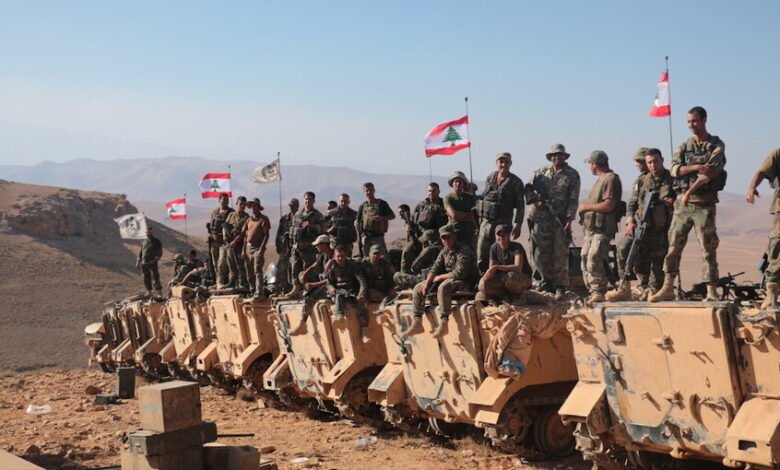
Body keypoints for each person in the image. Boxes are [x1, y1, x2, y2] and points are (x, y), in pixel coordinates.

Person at [650, 106, 726, 302]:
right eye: (689, 122)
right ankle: (668, 286)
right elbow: (674, 169)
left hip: (703, 205)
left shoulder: (716, 145)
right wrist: (696, 166)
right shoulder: (685, 146)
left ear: (704, 120)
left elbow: (708, 174)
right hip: (683, 206)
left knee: (707, 248)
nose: (691, 125)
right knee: (673, 246)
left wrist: (689, 191)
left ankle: (711, 290)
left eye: (695, 121)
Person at [607, 148, 674, 301]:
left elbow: (683, 202)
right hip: (640, 226)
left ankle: (653, 290)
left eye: (655, 161)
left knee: (658, 263)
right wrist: (630, 221)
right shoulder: (642, 180)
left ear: (662, 160)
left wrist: (673, 203)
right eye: (649, 162)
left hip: (661, 230)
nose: (653, 165)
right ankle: (625, 287)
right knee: (624, 249)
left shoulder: (672, 180)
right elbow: (632, 204)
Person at [402, 224, 477, 339]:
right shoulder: (444, 251)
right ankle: (417, 322)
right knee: (418, 287)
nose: (446, 240)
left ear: (454, 236)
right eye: (443, 237)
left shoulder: (464, 251)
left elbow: (459, 273)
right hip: (449, 280)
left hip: (465, 282)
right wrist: (427, 283)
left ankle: (444, 322)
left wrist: (439, 278)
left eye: (448, 237)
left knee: (443, 286)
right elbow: (435, 269)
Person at [526, 144, 580, 297]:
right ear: (551, 157)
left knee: (560, 253)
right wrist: (536, 201)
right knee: (543, 252)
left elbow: (573, 199)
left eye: (560, 155)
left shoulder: (572, 175)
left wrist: (569, 219)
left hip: (559, 220)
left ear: (565, 156)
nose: (557, 157)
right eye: (554, 155)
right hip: (541, 219)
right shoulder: (541, 172)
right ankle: (547, 282)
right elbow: (528, 188)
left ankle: (560, 286)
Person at [579, 150, 623, 304]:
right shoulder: (600, 180)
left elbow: (609, 205)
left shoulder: (610, 179)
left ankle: (599, 291)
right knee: (585, 256)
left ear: (594, 164)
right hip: (592, 229)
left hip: (603, 228)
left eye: (590, 164)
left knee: (594, 257)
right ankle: (593, 290)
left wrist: (586, 207)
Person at [477, 152, 525, 273]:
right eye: (501, 162)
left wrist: (518, 225)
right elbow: (485, 197)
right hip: (487, 223)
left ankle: (499, 278)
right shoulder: (490, 177)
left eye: (506, 162)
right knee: (482, 252)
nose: (503, 165)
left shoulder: (516, 182)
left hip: (503, 223)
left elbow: (520, 205)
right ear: (496, 163)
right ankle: (483, 277)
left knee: (501, 251)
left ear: (510, 163)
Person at [746, 147, 780, 309]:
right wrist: (752, 187)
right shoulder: (778, 153)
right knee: (777, 247)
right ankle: (771, 293)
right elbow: (762, 171)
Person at [289, 234, 334, 335]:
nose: (316, 247)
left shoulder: (333, 257)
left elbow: (330, 280)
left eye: (318, 245)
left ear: (324, 245)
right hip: (324, 282)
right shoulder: (324, 255)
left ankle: (302, 324)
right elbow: (314, 266)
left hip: (331, 285)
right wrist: (304, 274)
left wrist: (313, 285)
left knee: (310, 298)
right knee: (306, 286)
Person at [476, 224, 532, 303]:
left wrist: (497, 267)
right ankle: (503, 296)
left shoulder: (517, 247)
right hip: (504, 279)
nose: (501, 237)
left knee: (511, 276)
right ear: (495, 236)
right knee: (484, 285)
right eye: (499, 235)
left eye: (504, 235)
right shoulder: (493, 248)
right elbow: (491, 270)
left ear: (508, 236)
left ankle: (519, 296)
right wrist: (484, 279)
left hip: (521, 279)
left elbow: (518, 268)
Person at [400, 183, 448, 273]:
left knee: (425, 254)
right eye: (429, 191)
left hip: (436, 239)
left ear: (439, 191)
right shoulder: (421, 205)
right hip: (419, 238)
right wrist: (408, 227)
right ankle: (404, 275)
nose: (431, 193)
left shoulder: (444, 205)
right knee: (407, 251)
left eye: (434, 191)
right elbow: (412, 221)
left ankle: (418, 272)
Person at [325, 245, 370, 340]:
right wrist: (331, 288)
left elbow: (362, 282)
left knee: (361, 304)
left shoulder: (352, 266)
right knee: (339, 296)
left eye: (342, 256)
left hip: (352, 292)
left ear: (345, 255)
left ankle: (364, 332)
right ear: (334, 256)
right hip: (339, 293)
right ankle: (339, 316)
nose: (340, 258)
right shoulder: (332, 267)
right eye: (338, 256)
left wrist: (361, 293)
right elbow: (328, 283)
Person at [287, 192, 325, 297]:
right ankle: (296, 287)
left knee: (308, 269)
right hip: (297, 246)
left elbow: (323, 229)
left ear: (314, 201)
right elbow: (293, 228)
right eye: (306, 199)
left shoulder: (318, 215)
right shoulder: (298, 214)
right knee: (295, 267)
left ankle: (307, 289)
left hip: (309, 248)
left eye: (310, 199)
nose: (308, 201)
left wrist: (311, 225)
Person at [357, 182, 395, 256]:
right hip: (366, 237)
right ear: (364, 192)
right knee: (367, 258)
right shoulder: (363, 206)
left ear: (374, 190)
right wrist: (360, 237)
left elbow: (392, 216)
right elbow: (358, 221)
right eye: (367, 190)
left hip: (378, 237)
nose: (369, 192)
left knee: (380, 257)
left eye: (370, 190)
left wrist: (382, 218)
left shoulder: (382, 204)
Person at [243, 198, 271, 298]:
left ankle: (259, 292)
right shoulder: (248, 220)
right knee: (249, 271)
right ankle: (252, 290)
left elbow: (266, 235)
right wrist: (243, 250)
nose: (253, 208)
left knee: (257, 269)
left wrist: (261, 249)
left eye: (255, 206)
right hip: (248, 247)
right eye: (252, 206)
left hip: (258, 247)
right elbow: (245, 235)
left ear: (259, 207)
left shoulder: (263, 219)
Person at [443, 171, 477, 250]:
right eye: (456, 181)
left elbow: (473, 216)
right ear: (452, 183)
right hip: (454, 231)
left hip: (468, 232)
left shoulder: (470, 198)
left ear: (463, 184)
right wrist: (466, 214)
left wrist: (457, 215)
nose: (458, 184)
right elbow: (454, 215)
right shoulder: (448, 197)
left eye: (460, 182)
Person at [222, 196, 250, 289]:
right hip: (230, 242)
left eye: (244, 204)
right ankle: (232, 282)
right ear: (236, 204)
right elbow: (224, 226)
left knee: (240, 264)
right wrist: (224, 236)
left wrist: (235, 242)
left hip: (239, 243)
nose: (242, 206)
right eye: (240, 204)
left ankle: (242, 283)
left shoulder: (246, 217)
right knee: (231, 263)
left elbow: (243, 232)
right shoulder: (231, 215)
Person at [208, 194, 234, 287]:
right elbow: (211, 226)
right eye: (224, 199)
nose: (226, 201)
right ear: (219, 200)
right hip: (214, 242)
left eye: (227, 200)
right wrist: (212, 234)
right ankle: (217, 282)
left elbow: (232, 226)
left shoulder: (231, 212)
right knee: (215, 263)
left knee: (222, 262)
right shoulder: (215, 212)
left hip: (224, 242)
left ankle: (222, 282)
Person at [275, 198, 299, 294]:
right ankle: (283, 287)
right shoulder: (284, 218)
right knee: (281, 268)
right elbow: (279, 232)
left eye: (293, 206)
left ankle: (295, 287)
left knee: (294, 268)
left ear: (297, 206)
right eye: (290, 206)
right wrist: (277, 244)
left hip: (296, 247)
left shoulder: (300, 218)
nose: (291, 207)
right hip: (284, 247)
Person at [137, 226, 163, 296]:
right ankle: (149, 292)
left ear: (152, 232)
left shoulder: (156, 241)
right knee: (146, 278)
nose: (148, 233)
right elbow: (141, 252)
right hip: (144, 263)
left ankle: (159, 294)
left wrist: (154, 260)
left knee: (155, 278)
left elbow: (159, 252)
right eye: (147, 232)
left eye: (150, 232)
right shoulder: (144, 242)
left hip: (153, 263)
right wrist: (138, 261)